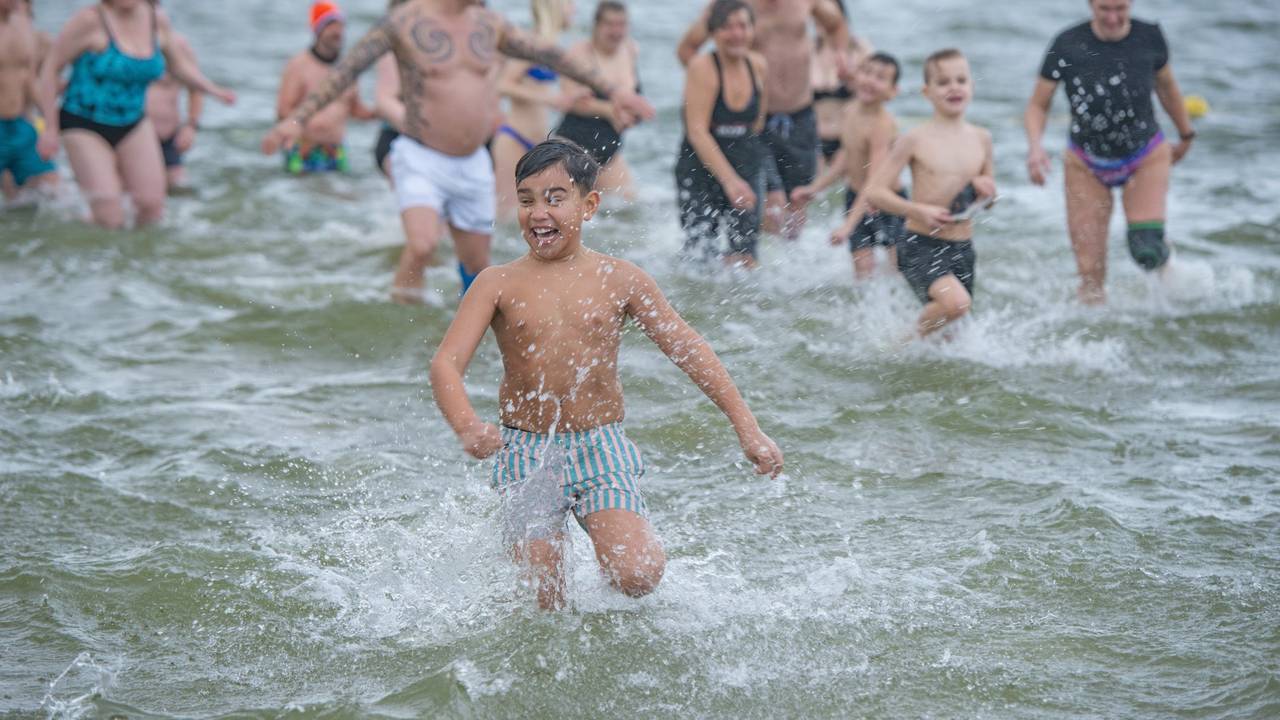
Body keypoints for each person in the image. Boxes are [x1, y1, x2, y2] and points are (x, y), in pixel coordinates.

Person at [429, 139, 784, 610]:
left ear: (589, 205)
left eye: (555, 199)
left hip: (601, 445)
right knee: (543, 600)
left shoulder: (620, 279)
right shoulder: (497, 282)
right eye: (527, 200)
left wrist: (747, 428)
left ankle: (610, 570)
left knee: (638, 574)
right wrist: (467, 426)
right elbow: (446, 363)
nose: (538, 213)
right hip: (527, 451)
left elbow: (689, 349)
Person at [261, 0, 654, 303]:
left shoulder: (488, 24)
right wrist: (293, 121)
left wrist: (614, 91)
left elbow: (551, 56)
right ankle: (403, 314)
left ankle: (467, 335)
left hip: (472, 161)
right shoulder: (405, 22)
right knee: (423, 244)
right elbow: (346, 71)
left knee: (478, 267)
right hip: (421, 154)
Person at [1024, 0, 1195, 305]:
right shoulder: (1067, 44)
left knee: (1147, 249)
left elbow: (1168, 88)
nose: (1113, 17)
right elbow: (1038, 104)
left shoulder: (1150, 36)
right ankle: (1095, 327)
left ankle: (1166, 267)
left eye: (1121, 8)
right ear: (1091, 5)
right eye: (1105, 9)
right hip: (1085, 162)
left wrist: (1185, 134)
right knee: (1090, 272)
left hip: (1145, 154)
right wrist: (1035, 149)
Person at [34, 0, 234, 229]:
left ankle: (138, 251)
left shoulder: (155, 19)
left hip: (133, 121)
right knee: (110, 212)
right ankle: (95, 242)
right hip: (83, 122)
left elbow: (178, 65)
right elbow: (50, 69)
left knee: (151, 206)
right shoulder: (89, 20)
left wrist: (213, 90)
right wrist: (49, 127)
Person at [678, 0, 853, 241]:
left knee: (797, 202)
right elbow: (687, 49)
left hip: (800, 114)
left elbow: (837, 24)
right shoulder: (731, 7)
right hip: (755, 121)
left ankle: (786, 259)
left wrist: (841, 53)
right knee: (771, 203)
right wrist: (718, 87)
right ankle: (750, 251)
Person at [864, 49, 994, 337]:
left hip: (963, 247)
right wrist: (917, 210)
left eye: (961, 80)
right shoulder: (914, 139)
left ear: (971, 86)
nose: (954, 87)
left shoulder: (982, 139)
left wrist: (988, 193)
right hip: (920, 243)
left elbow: (988, 203)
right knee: (956, 304)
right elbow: (874, 192)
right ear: (927, 92)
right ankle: (902, 342)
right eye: (943, 82)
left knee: (951, 333)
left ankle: (910, 352)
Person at [792, 52, 902, 280]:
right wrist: (815, 188)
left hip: (887, 203)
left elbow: (874, 182)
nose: (870, 80)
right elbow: (846, 157)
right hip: (856, 197)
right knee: (863, 273)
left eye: (880, 77)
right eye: (867, 72)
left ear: (893, 92)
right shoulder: (850, 110)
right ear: (857, 76)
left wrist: (848, 226)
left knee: (897, 270)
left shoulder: (881, 126)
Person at [674, 0, 767, 267]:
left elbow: (757, 127)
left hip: (745, 167)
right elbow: (697, 131)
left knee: (746, 256)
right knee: (701, 256)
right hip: (699, 170)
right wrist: (730, 181)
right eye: (727, 27)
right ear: (713, 33)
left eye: (743, 26)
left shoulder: (758, 65)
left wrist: (767, 182)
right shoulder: (702, 67)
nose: (737, 34)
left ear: (753, 30)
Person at [493, 0, 578, 220]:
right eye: (570, 3)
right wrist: (548, 99)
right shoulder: (530, 43)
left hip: (539, 145)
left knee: (539, 215)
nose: (574, 9)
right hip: (514, 139)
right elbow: (502, 84)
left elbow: (554, 90)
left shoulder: (552, 47)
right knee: (507, 219)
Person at [275, 2, 376, 175]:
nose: (337, 31)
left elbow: (355, 109)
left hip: (336, 150)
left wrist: (380, 111)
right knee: (300, 192)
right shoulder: (298, 66)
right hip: (303, 149)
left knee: (341, 191)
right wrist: (305, 132)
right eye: (330, 25)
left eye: (340, 26)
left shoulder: (348, 69)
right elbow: (283, 111)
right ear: (317, 29)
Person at [553, 1, 642, 197]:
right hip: (573, 147)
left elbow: (633, 100)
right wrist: (610, 111)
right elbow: (569, 100)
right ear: (596, 25)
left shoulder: (630, 50)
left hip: (609, 151)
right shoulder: (579, 53)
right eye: (610, 24)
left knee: (628, 208)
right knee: (569, 207)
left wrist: (633, 114)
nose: (616, 31)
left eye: (621, 24)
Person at [0, 0, 58, 202]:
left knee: (50, 187)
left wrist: (51, 123)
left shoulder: (23, 26)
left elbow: (30, 79)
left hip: (19, 124)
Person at [143, 29, 202, 192]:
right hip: (129, 133)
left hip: (167, 136)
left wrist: (191, 126)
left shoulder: (178, 46)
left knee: (179, 189)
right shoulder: (118, 46)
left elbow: (196, 88)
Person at [809, 0, 862, 172]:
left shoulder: (859, 49)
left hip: (846, 140)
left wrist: (853, 79)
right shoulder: (808, 50)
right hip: (814, 141)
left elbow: (875, 93)